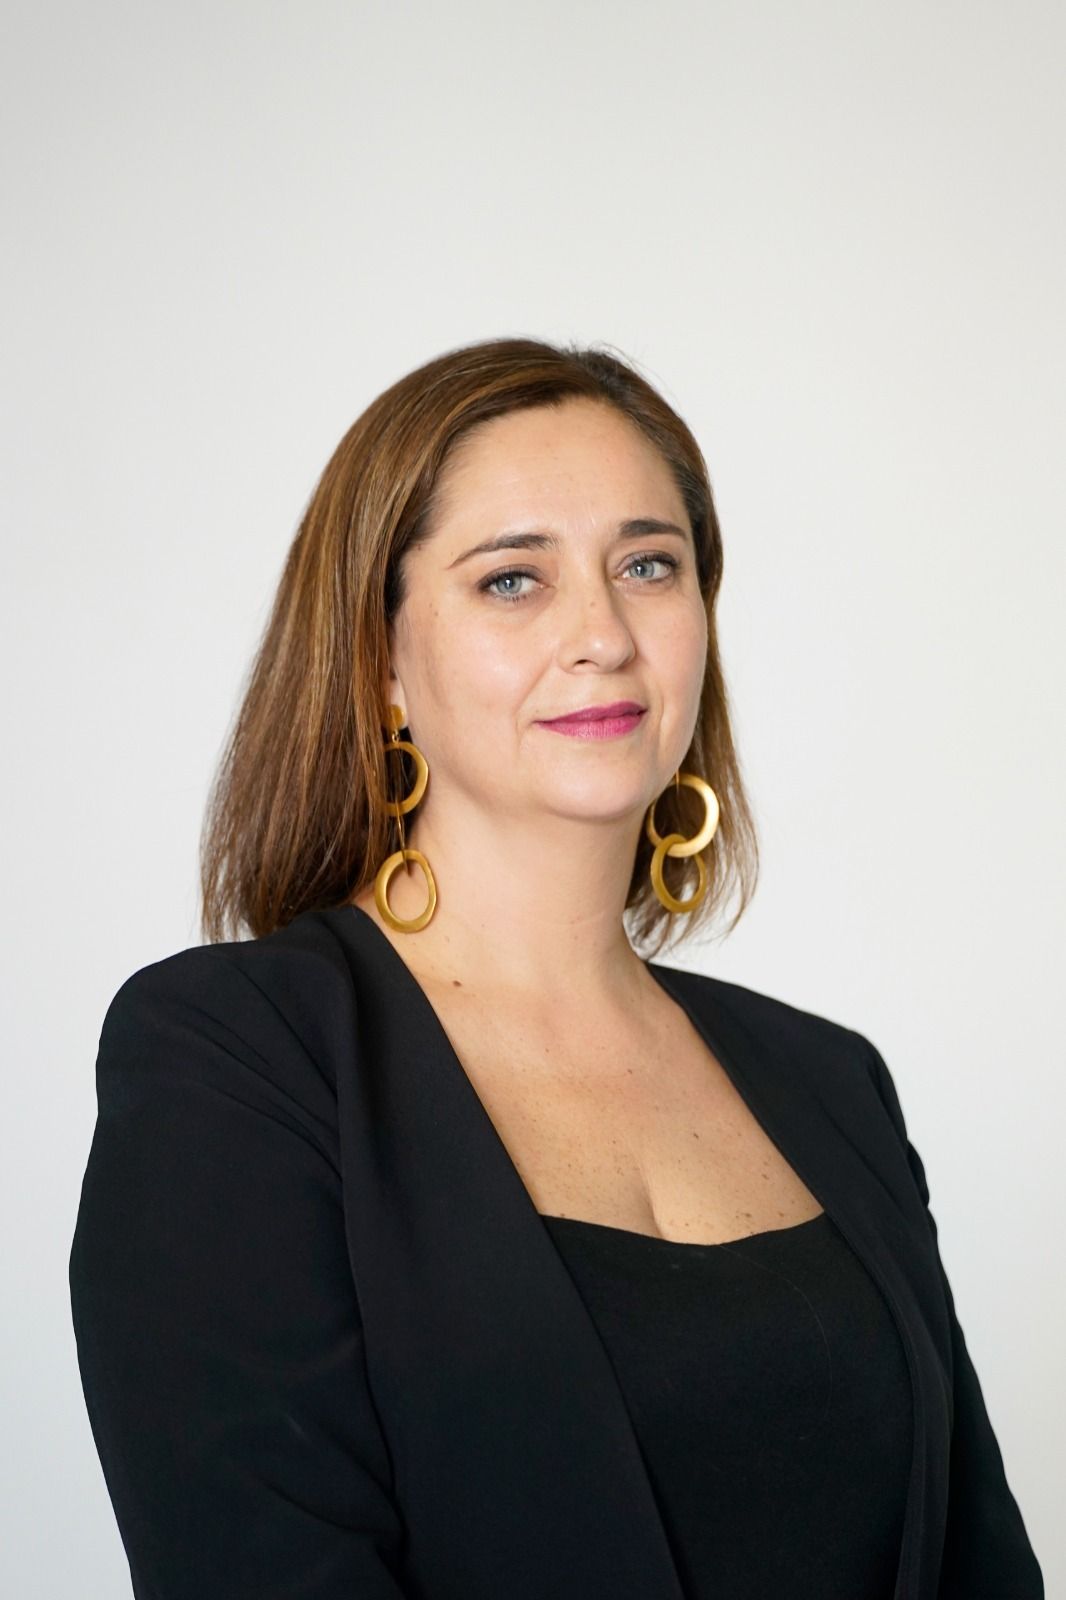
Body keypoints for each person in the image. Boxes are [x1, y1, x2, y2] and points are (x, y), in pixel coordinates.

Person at [69, 336, 1044, 1599]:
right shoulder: (238, 1057)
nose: (603, 634)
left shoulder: (830, 1080)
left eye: (648, 565)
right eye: (513, 579)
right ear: (381, 662)